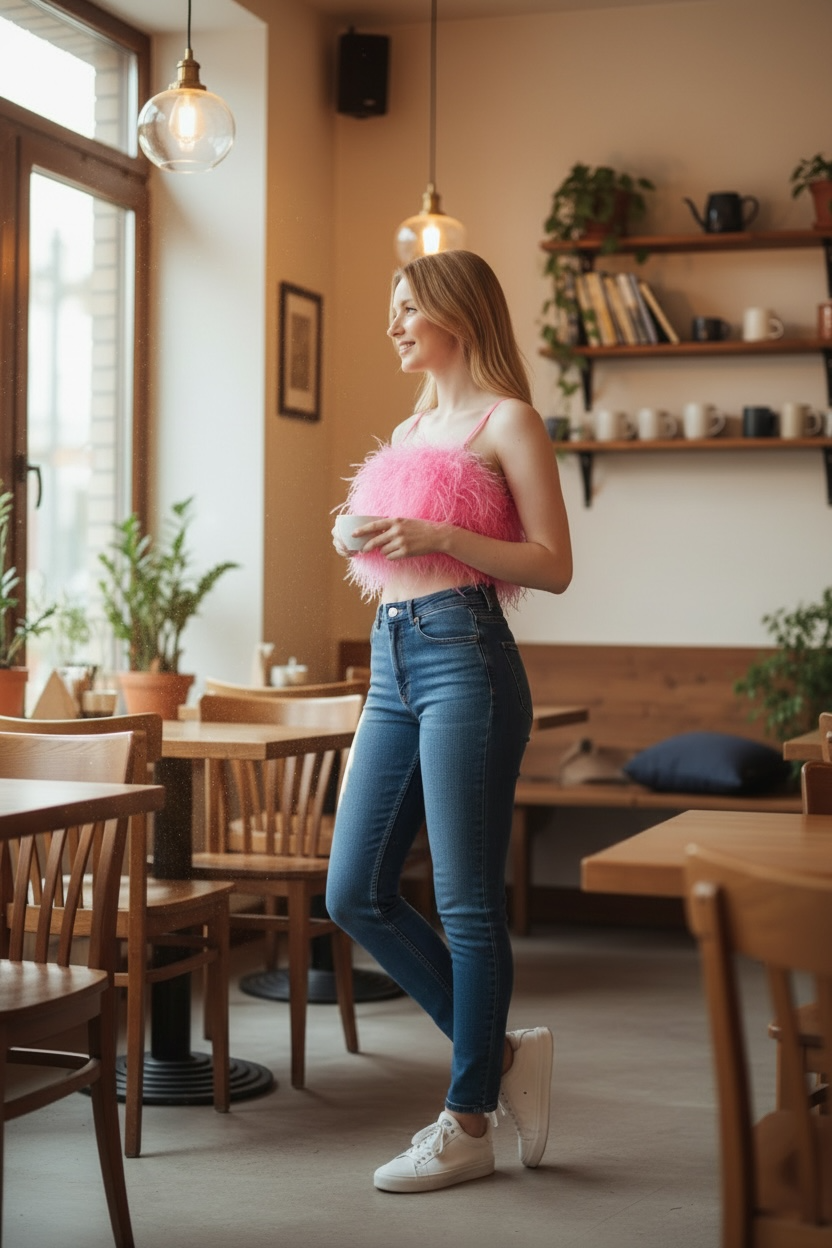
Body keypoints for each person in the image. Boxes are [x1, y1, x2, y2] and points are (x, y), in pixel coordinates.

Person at [326, 249, 572, 1194]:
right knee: (354, 891)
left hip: (466, 652)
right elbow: (390, 557)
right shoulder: (409, 425)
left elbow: (550, 563)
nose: (393, 325)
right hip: (392, 653)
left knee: (466, 901)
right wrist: (359, 534)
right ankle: (502, 1056)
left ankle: (468, 1120)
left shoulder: (509, 421)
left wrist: (441, 537)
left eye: (406, 311)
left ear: (456, 316)